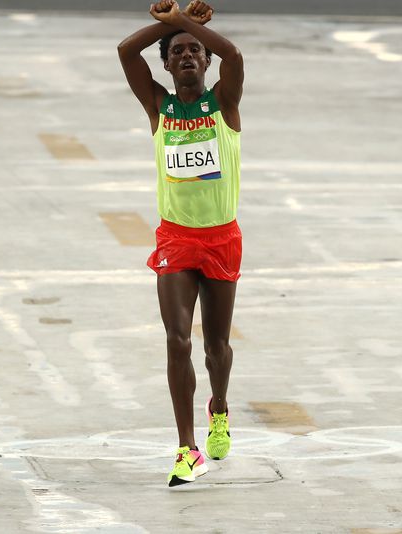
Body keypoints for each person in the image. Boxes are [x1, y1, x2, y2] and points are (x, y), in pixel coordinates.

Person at [117, 0, 244, 487]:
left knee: (216, 348)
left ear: (205, 63)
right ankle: (187, 449)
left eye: (195, 51)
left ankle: (220, 407)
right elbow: (127, 52)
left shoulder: (223, 105)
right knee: (177, 339)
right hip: (176, 237)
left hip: (221, 238)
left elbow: (232, 55)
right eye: (177, 53)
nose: (188, 55)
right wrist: (166, 25)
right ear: (166, 64)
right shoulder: (158, 108)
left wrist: (183, 25)